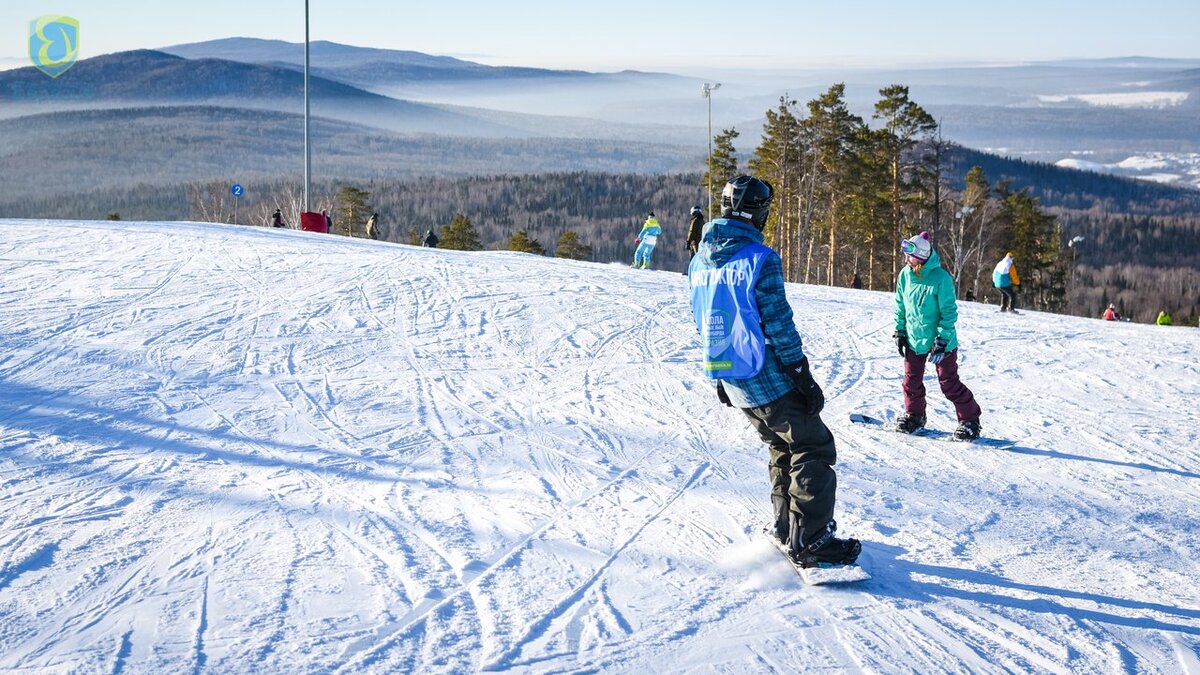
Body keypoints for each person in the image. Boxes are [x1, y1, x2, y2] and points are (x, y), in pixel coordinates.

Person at [689, 174, 860, 569]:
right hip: (765, 373)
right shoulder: (759, 258)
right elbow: (778, 323)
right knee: (812, 446)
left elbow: (705, 316)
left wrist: (720, 373)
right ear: (758, 212)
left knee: (782, 445)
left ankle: (787, 527)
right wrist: (801, 373)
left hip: (731, 374)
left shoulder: (699, 261)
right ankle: (811, 539)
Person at [893, 231, 983, 440]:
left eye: (910, 254)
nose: (906, 258)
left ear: (922, 256)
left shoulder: (941, 279)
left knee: (948, 383)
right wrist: (900, 330)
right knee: (911, 382)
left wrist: (942, 339)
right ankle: (914, 415)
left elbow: (949, 313)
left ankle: (970, 421)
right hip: (915, 339)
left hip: (941, 342)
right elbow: (900, 305)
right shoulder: (905, 275)